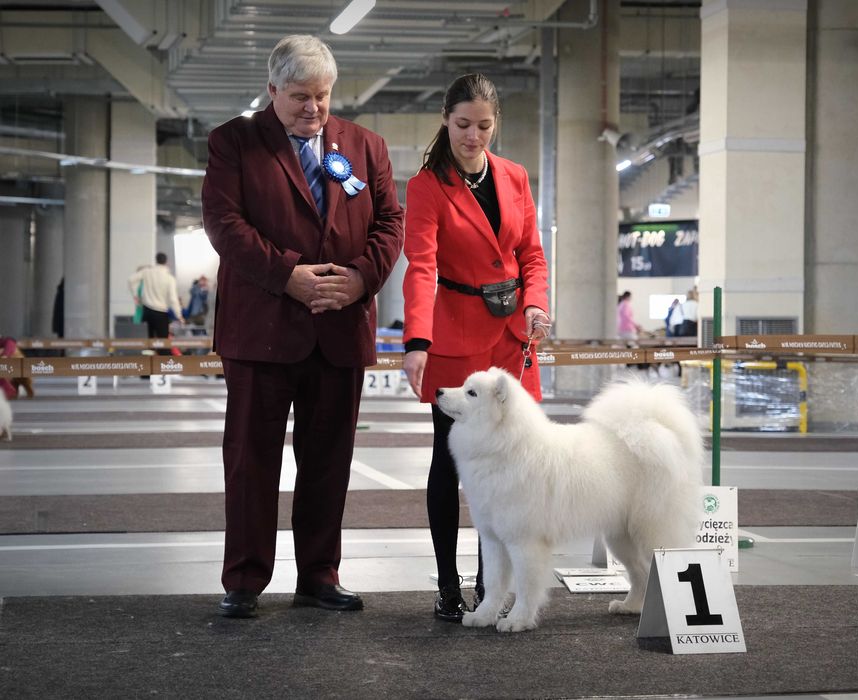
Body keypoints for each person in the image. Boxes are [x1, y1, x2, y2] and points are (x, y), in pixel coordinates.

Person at [201, 34, 404, 618]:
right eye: (298, 98)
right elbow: (224, 224)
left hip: (340, 329)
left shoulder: (366, 146)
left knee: (329, 462)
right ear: (271, 91)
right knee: (250, 461)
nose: (313, 109)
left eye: (321, 96)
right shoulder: (233, 142)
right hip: (261, 331)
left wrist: (361, 278)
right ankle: (243, 580)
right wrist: (289, 275)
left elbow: (391, 222)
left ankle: (319, 574)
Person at [402, 73, 551, 622]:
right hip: (455, 338)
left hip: (512, 340)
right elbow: (420, 267)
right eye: (463, 124)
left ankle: (494, 586)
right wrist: (416, 340)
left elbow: (531, 254)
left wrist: (536, 302)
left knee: (512, 467)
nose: (474, 136)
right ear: (446, 119)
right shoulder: (425, 187)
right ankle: (447, 585)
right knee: (448, 465)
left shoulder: (514, 176)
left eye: (484, 126)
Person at [127, 253, 184, 355]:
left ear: (156, 260)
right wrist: (179, 315)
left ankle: (148, 368)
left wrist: (136, 296)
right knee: (163, 343)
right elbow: (173, 299)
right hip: (161, 313)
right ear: (166, 262)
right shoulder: (169, 278)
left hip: (147, 310)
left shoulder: (147, 272)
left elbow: (131, 280)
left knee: (149, 343)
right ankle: (164, 367)